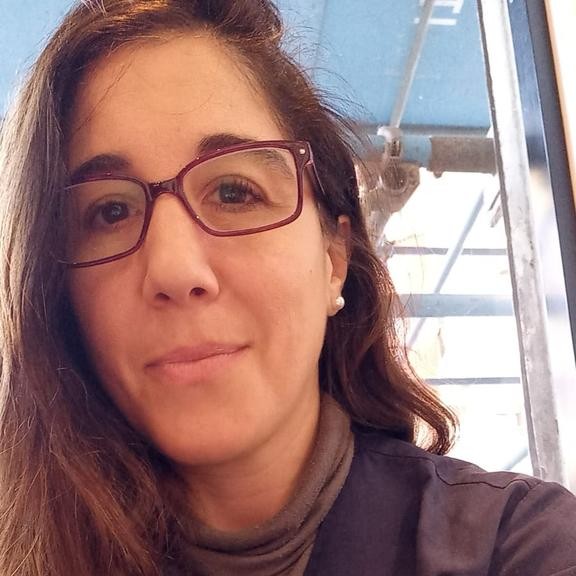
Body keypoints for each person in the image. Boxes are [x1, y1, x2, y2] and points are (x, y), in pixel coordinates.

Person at [0, 1, 575, 574]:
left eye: (233, 192)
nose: (175, 270)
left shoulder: (520, 543)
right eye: (110, 211)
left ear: (333, 260)